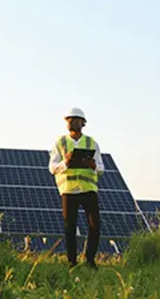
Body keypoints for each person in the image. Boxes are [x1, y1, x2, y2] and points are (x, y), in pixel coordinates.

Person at [49, 107, 104, 269]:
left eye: (75, 119)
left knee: (95, 225)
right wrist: (66, 162)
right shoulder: (60, 143)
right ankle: (71, 261)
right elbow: (52, 168)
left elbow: (101, 168)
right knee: (69, 227)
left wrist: (92, 166)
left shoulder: (91, 143)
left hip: (88, 190)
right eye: (68, 120)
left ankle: (89, 260)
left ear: (83, 123)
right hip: (69, 190)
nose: (71, 122)